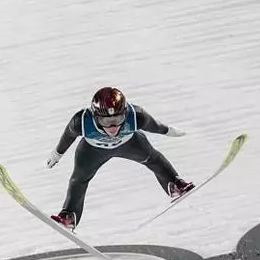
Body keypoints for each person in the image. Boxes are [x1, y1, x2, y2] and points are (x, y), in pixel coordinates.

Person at [45, 86, 194, 231]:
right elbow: (68, 136)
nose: (113, 126)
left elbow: (155, 126)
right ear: (95, 117)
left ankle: (175, 185)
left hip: (129, 143)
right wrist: (57, 153)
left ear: (125, 112)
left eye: (118, 118)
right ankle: (69, 215)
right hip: (92, 151)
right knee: (78, 179)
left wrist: (169, 131)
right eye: (106, 122)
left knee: (154, 158)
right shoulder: (81, 121)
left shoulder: (136, 115)